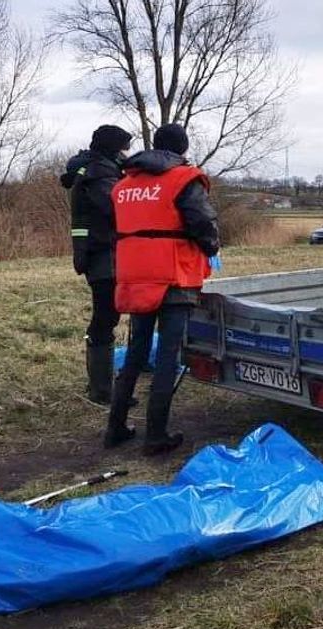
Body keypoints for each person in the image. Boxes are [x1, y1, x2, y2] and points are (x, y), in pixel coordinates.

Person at [104, 124, 220, 455]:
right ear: (183, 149)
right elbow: (203, 223)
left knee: (136, 353)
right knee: (168, 356)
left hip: (134, 274)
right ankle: (156, 435)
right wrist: (211, 247)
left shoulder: (123, 185)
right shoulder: (184, 178)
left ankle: (115, 429)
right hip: (173, 277)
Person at [60, 125, 134, 405]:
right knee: (105, 319)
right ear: (113, 149)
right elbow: (118, 209)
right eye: (124, 148)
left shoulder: (96, 170)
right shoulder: (99, 174)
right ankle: (102, 391)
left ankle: (104, 387)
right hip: (102, 256)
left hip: (101, 254)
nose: (126, 154)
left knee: (107, 317)